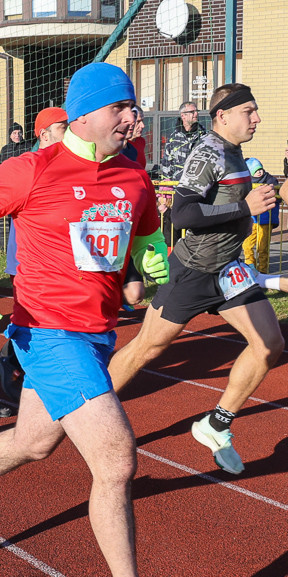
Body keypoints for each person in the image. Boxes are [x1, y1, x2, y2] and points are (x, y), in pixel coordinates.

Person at [0, 63, 202, 577]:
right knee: (117, 458)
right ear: (84, 114)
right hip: (47, 333)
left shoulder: (133, 176)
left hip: (99, 333)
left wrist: (150, 261)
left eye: (133, 107)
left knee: (33, 443)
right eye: (120, 107)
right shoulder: (34, 168)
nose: (132, 117)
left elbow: (147, 229)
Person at [108, 83, 283, 476]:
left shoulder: (238, 153)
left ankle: (216, 424)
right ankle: (87, 410)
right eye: (249, 112)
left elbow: (245, 200)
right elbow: (183, 216)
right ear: (223, 116)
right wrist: (245, 205)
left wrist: (264, 197)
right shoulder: (206, 153)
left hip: (229, 268)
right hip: (193, 271)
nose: (256, 118)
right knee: (146, 350)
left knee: (269, 345)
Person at [0, 106, 68, 419]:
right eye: (65, 127)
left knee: (47, 327)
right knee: (34, 325)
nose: (73, 133)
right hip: (27, 263)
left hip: (59, 264)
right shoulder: (25, 166)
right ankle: (10, 373)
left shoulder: (72, 164)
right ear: (46, 133)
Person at [159, 101, 206, 246]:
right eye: (192, 112)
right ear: (183, 116)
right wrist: (164, 195)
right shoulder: (173, 139)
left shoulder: (204, 136)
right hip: (176, 194)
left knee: (195, 236)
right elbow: (166, 167)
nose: (196, 114)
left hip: (197, 193)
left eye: (196, 111)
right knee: (172, 235)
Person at [242, 157, 279, 273]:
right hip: (251, 219)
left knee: (262, 248)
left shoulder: (270, 180)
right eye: (255, 170)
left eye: (260, 169)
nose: (259, 171)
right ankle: (250, 267)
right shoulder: (247, 183)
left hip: (265, 219)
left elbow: (274, 194)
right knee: (247, 245)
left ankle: (263, 270)